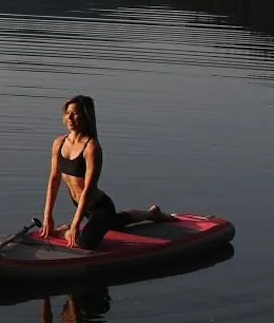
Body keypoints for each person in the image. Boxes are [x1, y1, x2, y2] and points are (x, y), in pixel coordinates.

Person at [39, 95, 174, 249]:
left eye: (75, 113)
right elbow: (54, 179)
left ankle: (63, 231)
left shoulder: (91, 148)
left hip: (99, 207)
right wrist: (47, 215)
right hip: (80, 204)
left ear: (86, 117)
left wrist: (75, 224)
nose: (69, 117)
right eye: (67, 113)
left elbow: (88, 189)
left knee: (84, 243)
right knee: (115, 222)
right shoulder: (59, 143)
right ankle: (151, 214)